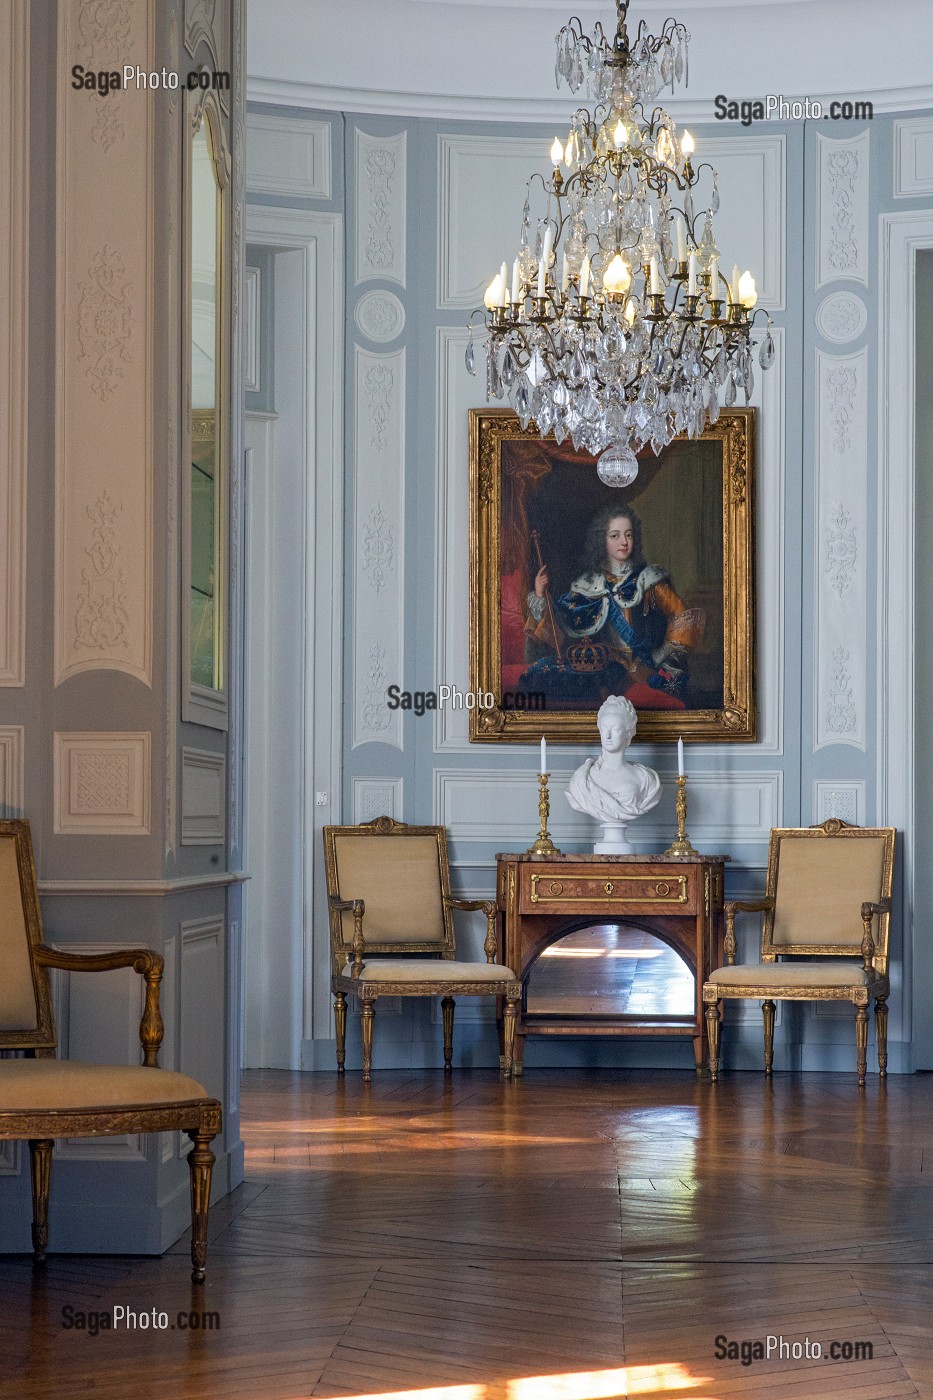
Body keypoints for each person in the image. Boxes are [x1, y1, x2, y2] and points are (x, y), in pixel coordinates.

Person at [522, 503, 704, 709]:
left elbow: (683, 617)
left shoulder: (649, 580)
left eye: (628, 535)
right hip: (604, 672)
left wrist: (659, 656)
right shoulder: (588, 584)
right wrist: (539, 594)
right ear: (602, 540)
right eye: (615, 536)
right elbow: (560, 621)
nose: (624, 542)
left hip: (644, 671)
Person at [566, 695, 661, 827]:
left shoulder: (646, 779)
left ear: (628, 732)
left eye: (615, 729)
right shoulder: (582, 779)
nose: (608, 736)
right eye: (604, 729)